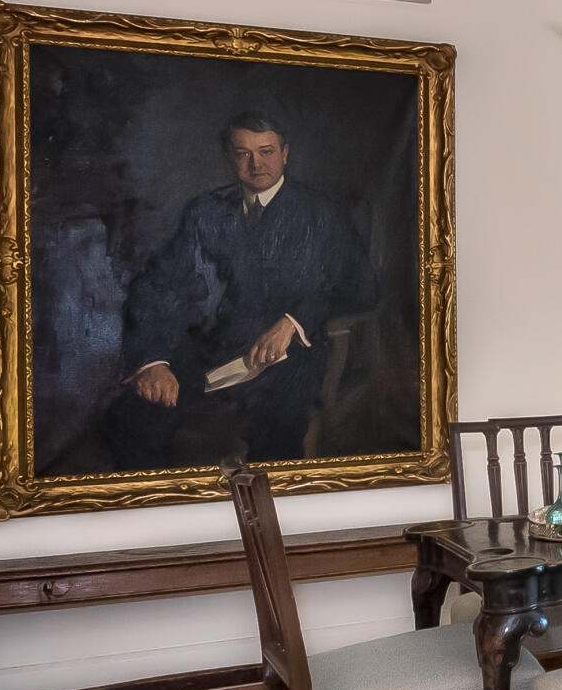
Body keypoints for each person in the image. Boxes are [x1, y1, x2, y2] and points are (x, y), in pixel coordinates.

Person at [104, 110, 379, 467]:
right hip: (213, 351)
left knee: (275, 436)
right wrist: (153, 361)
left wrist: (293, 321)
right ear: (229, 158)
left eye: (266, 152)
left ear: (285, 154)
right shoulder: (206, 211)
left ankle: (264, 505)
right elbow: (160, 283)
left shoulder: (321, 213)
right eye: (243, 153)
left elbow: (362, 288)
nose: (256, 164)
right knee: (128, 419)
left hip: (290, 359)